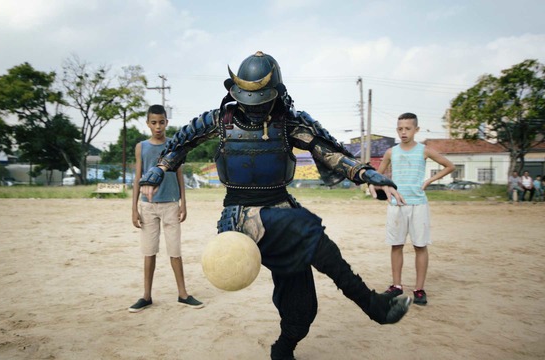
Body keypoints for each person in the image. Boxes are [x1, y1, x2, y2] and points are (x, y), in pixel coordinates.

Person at [139, 51, 411, 360]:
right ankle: (373, 305)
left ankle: (283, 349)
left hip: (281, 209)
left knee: (302, 308)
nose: (253, 108)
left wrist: (368, 174)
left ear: (276, 94)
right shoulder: (219, 121)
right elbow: (179, 144)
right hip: (239, 217)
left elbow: (329, 152)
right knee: (309, 230)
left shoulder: (289, 122)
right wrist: (156, 172)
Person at [129, 104, 204, 313]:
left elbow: (179, 174)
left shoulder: (174, 145)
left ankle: (183, 294)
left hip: (171, 204)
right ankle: (146, 296)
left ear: (166, 123)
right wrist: (134, 209)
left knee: (175, 251)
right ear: (148, 124)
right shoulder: (141, 147)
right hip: (148, 206)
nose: (158, 126)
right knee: (149, 252)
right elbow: (138, 178)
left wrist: (183, 203)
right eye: (154, 122)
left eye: (161, 122)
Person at [376, 113, 455, 306]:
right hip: (397, 206)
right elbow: (376, 176)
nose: (403, 132)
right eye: (400, 129)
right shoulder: (391, 152)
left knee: (420, 246)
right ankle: (396, 286)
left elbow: (449, 166)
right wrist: (386, 188)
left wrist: (429, 180)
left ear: (416, 130)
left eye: (407, 128)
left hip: (418, 205)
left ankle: (419, 289)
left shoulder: (424, 151)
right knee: (396, 245)